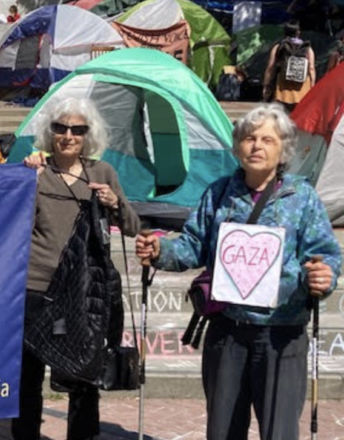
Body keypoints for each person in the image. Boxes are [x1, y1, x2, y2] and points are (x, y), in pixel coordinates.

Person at [136, 104, 341, 440]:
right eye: (249, 138)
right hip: (227, 331)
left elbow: (325, 256)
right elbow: (193, 245)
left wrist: (323, 276)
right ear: (237, 146)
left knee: (278, 431)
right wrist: (161, 251)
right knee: (223, 431)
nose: (256, 145)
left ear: (283, 148)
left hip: (282, 334)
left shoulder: (301, 197)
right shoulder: (219, 193)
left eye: (267, 139)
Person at [14, 98, 140, 440]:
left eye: (77, 130)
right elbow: (8, 220)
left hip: (84, 291)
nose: (68, 135)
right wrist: (26, 179)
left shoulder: (102, 173)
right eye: (60, 128)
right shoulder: (35, 171)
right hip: (36, 286)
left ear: (88, 135)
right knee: (27, 378)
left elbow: (131, 225)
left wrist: (114, 204)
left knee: (83, 379)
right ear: (49, 132)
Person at [262, 21, 316, 113]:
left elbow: (270, 67)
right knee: (299, 113)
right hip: (303, 85)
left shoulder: (279, 47)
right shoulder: (307, 48)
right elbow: (311, 68)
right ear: (298, 32)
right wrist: (312, 85)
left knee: (281, 113)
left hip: (283, 84)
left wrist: (266, 84)